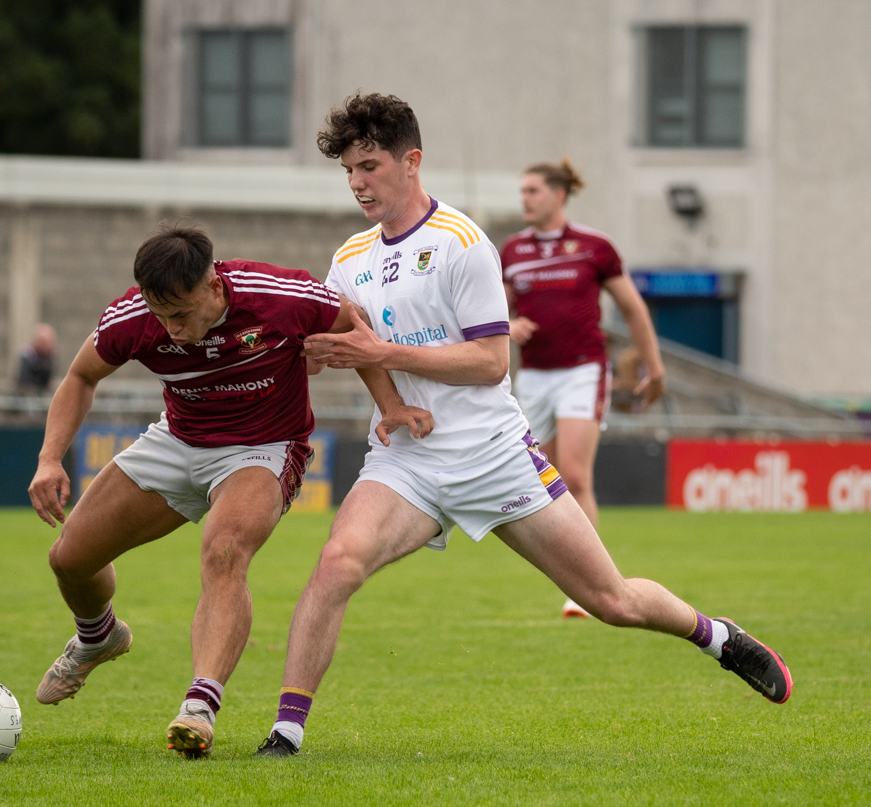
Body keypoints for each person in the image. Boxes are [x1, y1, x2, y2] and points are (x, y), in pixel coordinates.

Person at [254, 93, 792, 757]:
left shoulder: (464, 244)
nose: (358, 182)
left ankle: (716, 635)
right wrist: (385, 399)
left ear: (411, 160)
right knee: (335, 564)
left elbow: (487, 363)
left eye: (368, 165)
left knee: (612, 600)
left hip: (491, 455)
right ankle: (286, 731)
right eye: (348, 171)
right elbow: (357, 342)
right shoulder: (350, 258)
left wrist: (382, 353)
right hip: (408, 461)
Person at [27, 225, 408, 760]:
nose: (172, 330)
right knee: (69, 559)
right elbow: (80, 377)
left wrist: (387, 402)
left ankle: (200, 705)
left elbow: (356, 328)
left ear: (213, 284)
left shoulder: (279, 297)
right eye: (161, 315)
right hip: (179, 438)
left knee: (224, 548)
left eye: (180, 314)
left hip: (264, 446)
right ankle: (98, 636)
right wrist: (49, 459)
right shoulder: (134, 318)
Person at [501, 160, 665, 531]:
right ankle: (572, 574)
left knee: (575, 478)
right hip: (533, 376)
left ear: (559, 195)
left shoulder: (595, 247)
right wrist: (508, 326)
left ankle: (588, 589)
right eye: (522, 191)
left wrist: (654, 369)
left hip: (582, 370)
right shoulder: (512, 251)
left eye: (533, 190)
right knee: (544, 484)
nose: (524, 199)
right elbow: (492, 312)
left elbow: (633, 310)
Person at [16, 323, 58, 393]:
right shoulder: (27, 355)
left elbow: (49, 380)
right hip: (26, 394)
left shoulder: (51, 358)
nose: (44, 345)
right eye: (42, 341)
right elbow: (25, 380)